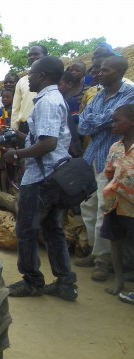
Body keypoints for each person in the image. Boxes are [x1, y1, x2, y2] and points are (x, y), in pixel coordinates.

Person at [1, 56, 77, 301]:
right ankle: (66, 283)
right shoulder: (55, 99)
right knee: (53, 230)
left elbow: (48, 143)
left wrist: (16, 154)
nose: (27, 78)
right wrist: (21, 137)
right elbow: (45, 140)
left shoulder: (46, 101)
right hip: (55, 174)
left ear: (43, 76)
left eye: (31, 73)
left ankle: (32, 281)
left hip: (40, 178)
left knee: (26, 229)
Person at [78, 56, 134, 282]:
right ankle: (95, 251)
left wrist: (97, 120)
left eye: (105, 70)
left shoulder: (129, 94)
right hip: (92, 156)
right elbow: (82, 125)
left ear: (119, 72)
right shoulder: (99, 95)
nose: (99, 73)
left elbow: (107, 120)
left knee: (104, 209)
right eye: (99, 70)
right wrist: (104, 119)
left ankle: (103, 260)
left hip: (113, 161)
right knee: (87, 206)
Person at [100, 104, 134, 299]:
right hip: (115, 204)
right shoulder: (116, 147)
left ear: (131, 122)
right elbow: (109, 173)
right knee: (116, 241)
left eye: (117, 120)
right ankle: (119, 279)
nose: (113, 124)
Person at [11, 45, 49, 133]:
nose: (32, 57)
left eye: (36, 54)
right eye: (30, 55)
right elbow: (16, 109)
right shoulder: (22, 81)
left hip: (46, 125)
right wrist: (14, 130)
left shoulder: (52, 80)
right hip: (25, 127)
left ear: (46, 56)